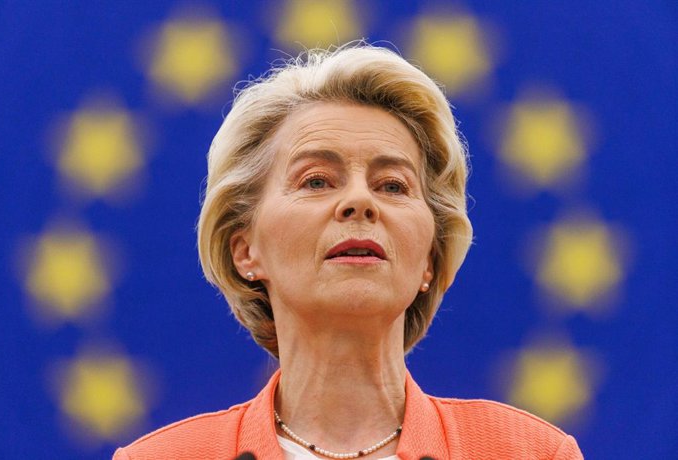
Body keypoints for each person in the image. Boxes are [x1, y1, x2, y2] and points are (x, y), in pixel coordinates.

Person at [114, 44, 583, 459]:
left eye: (392, 185)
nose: (360, 201)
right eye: (316, 180)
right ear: (245, 250)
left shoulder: (532, 453)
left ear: (431, 259)